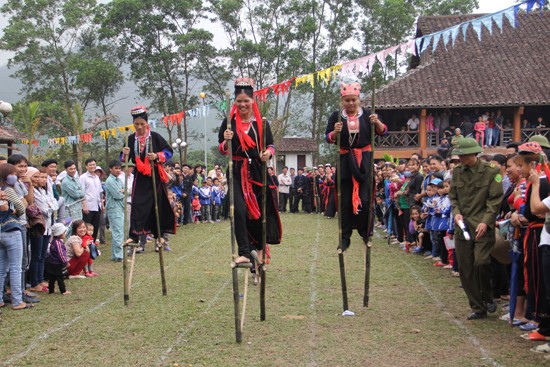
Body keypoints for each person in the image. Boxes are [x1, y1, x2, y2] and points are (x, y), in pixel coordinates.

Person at [218, 77, 282, 264]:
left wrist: (268, 154)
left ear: (252, 101)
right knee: (237, 210)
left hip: (257, 172)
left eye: (246, 101)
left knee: (259, 214)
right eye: (239, 101)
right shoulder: (229, 123)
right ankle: (245, 252)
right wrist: (226, 141)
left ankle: (260, 249)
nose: (243, 104)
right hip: (236, 171)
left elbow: (270, 145)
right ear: (235, 103)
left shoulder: (262, 123)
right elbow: (221, 149)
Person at [325, 81, 387, 251]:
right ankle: (345, 238)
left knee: (366, 201)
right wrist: (335, 133)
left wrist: (377, 123)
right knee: (344, 201)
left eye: (353, 100)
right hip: (345, 161)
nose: (351, 103)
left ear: (358, 99)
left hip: (364, 160)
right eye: (347, 100)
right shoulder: (336, 116)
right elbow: (328, 138)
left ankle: (365, 232)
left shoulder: (368, 114)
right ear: (342, 101)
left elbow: (383, 131)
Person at [449, 137, 503, 320]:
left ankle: (487, 296)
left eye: (464, 156)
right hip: (462, 227)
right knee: (466, 269)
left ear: (474, 154)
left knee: (481, 263)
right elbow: (453, 197)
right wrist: (456, 212)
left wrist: (486, 221)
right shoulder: (457, 172)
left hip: (482, 226)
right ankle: (477, 307)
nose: (461, 159)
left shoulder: (491, 172)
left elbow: (494, 200)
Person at [121, 105, 176, 249]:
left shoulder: (155, 137)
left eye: (142, 124)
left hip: (155, 177)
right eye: (136, 124)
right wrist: (124, 153)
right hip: (140, 177)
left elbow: (169, 152)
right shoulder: (131, 139)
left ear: (147, 123)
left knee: (157, 206)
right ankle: (134, 236)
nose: (139, 127)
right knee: (138, 205)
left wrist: (157, 156)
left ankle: (160, 236)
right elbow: (123, 158)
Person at [0, 163, 31, 310]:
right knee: (15, 267)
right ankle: (17, 300)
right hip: (11, 229)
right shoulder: (7, 189)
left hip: (0, 232)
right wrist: (15, 212)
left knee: (1, 267)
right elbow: (20, 206)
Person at [28, 166, 58, 293]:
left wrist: (50, 205)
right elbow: (44, 209)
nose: (43, 180)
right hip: (39, 227)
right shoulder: (33, 192)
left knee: (42, 255)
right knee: (36, 255)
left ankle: (40, 279)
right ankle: (34, 282)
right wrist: (50, 205)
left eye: (45, 178)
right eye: (40, 177)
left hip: (48, 226)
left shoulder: (46, 191)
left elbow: (54, 204)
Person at [105, 160, 125, 261]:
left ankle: (116, 255)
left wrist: (123, 191)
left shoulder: (118, 180)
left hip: (120, 207)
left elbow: (123, 190)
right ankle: (119, 255)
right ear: (110, 169)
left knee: (120, 231)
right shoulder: (110, 181)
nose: (118, 170)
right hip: (114, 208)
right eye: (116, 168)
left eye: (119, 168)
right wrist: (124, 192)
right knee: (118, 232)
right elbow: (117, 195)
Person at [80, 158, 103, 242]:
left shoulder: (97, 177)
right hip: (88, 207)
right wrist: (84, 206)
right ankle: (85, 245)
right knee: (86, 227)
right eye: (90, 165)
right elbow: (82, 193)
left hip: (97, 206)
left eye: (94, 164)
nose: (92, 166)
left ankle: (93, 245)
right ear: (86, 166)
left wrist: (102, 205)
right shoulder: (83, 177)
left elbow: (100, 192)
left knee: (95, 227)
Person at [45, 223, 71, 295]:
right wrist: (65, 262)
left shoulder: (53, 241)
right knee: (60, 277)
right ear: (59, 234)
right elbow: (61, 254)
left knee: (52, 278)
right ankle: (63, 290)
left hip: (52, 262)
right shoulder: (58, 243)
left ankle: (51, 290)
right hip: (56, 264)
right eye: (64, 232)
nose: (65, 234)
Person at [60, 160, 84, 225]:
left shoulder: (76, 179)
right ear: (66, 170)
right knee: (69, 228)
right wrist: (80, 192)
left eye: (74, 168)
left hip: (78, 210)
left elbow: (83, 192)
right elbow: (75, 195)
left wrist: (80, 192)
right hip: (69, 211)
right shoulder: (65, 182)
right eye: (70, 169)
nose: (73, 170)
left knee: (78, 229)